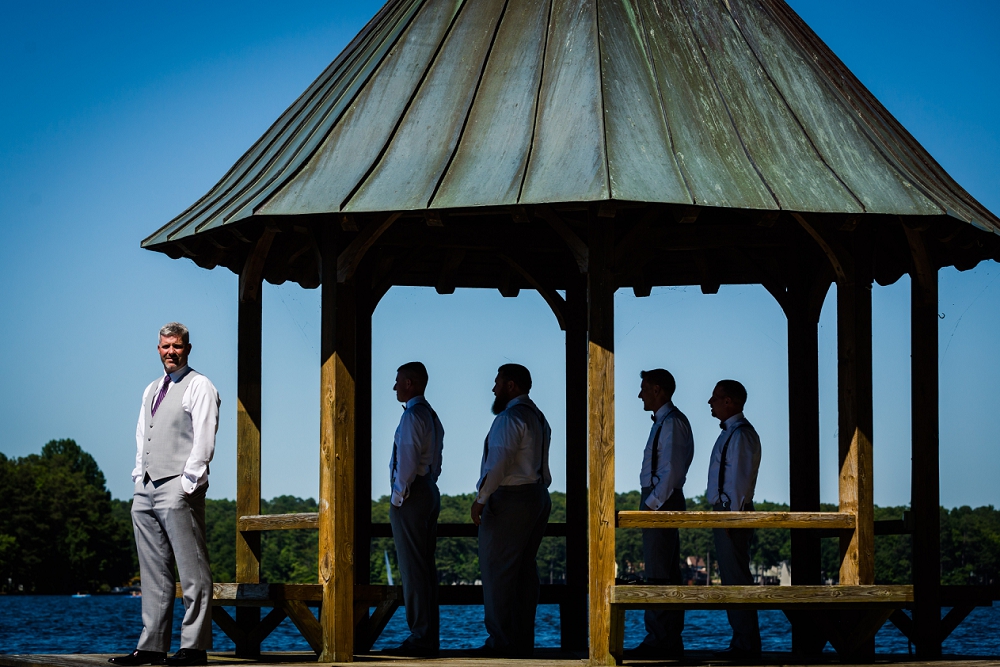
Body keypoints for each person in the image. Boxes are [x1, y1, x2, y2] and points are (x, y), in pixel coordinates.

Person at [110, 323, 219, 667]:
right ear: (157, 349)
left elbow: (204, 435)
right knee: (153, 571)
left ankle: (194, 647)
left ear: (188, 348)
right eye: (164, 346)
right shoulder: (151, 389)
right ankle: (152, 646)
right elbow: (144, 434)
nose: (170, 351)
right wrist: (137, 476)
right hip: (145, 485)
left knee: (193, 569)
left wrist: (189, 481)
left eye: (177, 346)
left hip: (178, 485)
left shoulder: (200, 385)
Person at [470, 364, 552, 657]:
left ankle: (501, 642)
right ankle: (522, 638)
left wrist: (481, 499)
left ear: (511, 386)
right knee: (524, 572)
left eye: (497, 382)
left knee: (498, 571)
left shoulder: (510, 418)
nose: (493, 388)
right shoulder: (538, 418)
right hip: (538, 496)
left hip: (511, 498)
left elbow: (499, 464)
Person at [625, 369, 694, 659]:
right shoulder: (665, 422)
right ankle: (662, 637)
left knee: (659, 571)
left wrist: (650, 505)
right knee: (659, 568)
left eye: (643, 389)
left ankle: (660, 640)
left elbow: (672, 471)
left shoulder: (672, 423)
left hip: (661, 501)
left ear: (658, 390)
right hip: (660, 499)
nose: (639, 394)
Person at [385, 362, 445, 657]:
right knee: (425, 567)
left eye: (398, 381)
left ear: (410, 383)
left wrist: (398, 497)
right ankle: (428, 634)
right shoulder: (432, 416)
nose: (394, 387)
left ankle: (420, 637)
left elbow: (407, 460)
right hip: (428, 490)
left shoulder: (412, 416)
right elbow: (437, 460)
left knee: (412, 569)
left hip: (412, 493)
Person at [706, 379, 762, 659]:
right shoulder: (734, 433)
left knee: (736, 578)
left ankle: (745, 645)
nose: (710, 402)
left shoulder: (740, 435)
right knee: (732, 577)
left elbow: (737, 480)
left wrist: (731, 517)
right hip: (729, 512)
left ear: (729, 401)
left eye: (715, 398)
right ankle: (742, 641)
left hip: (731, 513)